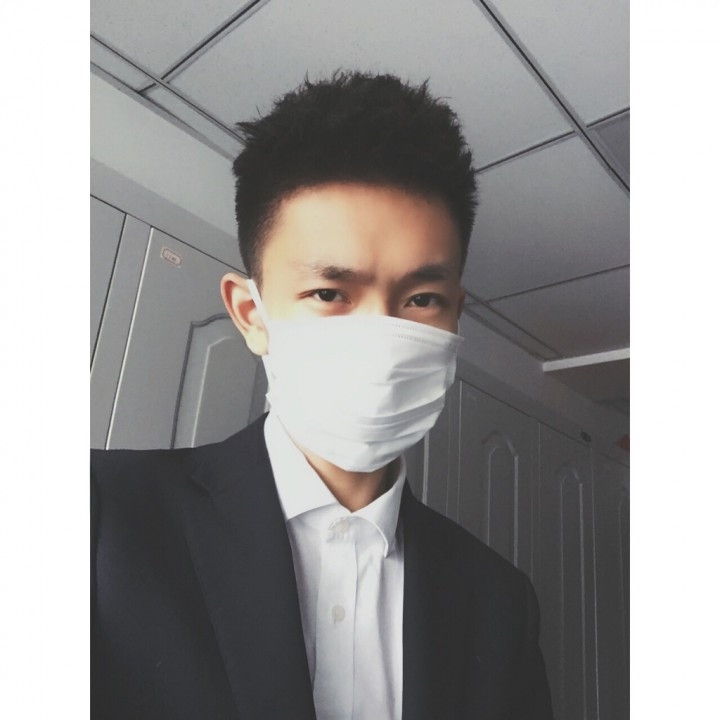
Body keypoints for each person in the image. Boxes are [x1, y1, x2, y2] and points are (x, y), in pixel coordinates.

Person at [91, 71, 554, 720]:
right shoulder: (99, 515)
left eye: (422, 298)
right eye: (329, 293)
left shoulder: (501, 602)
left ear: (455, 315)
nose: (382, 339)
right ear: (251, 314)